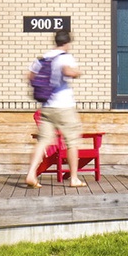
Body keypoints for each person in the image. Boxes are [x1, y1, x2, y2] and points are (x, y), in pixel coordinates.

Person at [21, 28, 83, 188]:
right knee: (72, 141)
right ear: (67, 43)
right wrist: (76, 73)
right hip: (64, 107)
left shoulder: (44, 57)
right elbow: (68, 71)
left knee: (42, 141)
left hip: (47, 106)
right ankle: (74, 178)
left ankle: (31, 174)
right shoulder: (66, 57)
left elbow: (29, 75)